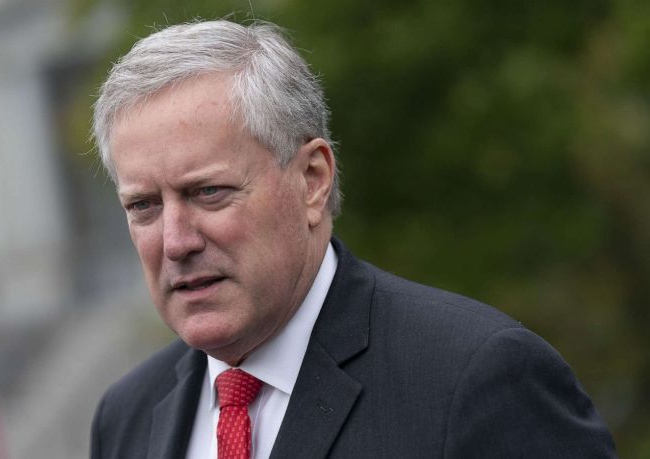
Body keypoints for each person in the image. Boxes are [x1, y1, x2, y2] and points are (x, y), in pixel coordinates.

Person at [89, 19, 616, 459]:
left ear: (312, 180)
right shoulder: (127, 417)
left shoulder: (476, 381)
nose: (176, 242)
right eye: (144, 206)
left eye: (208, 192)